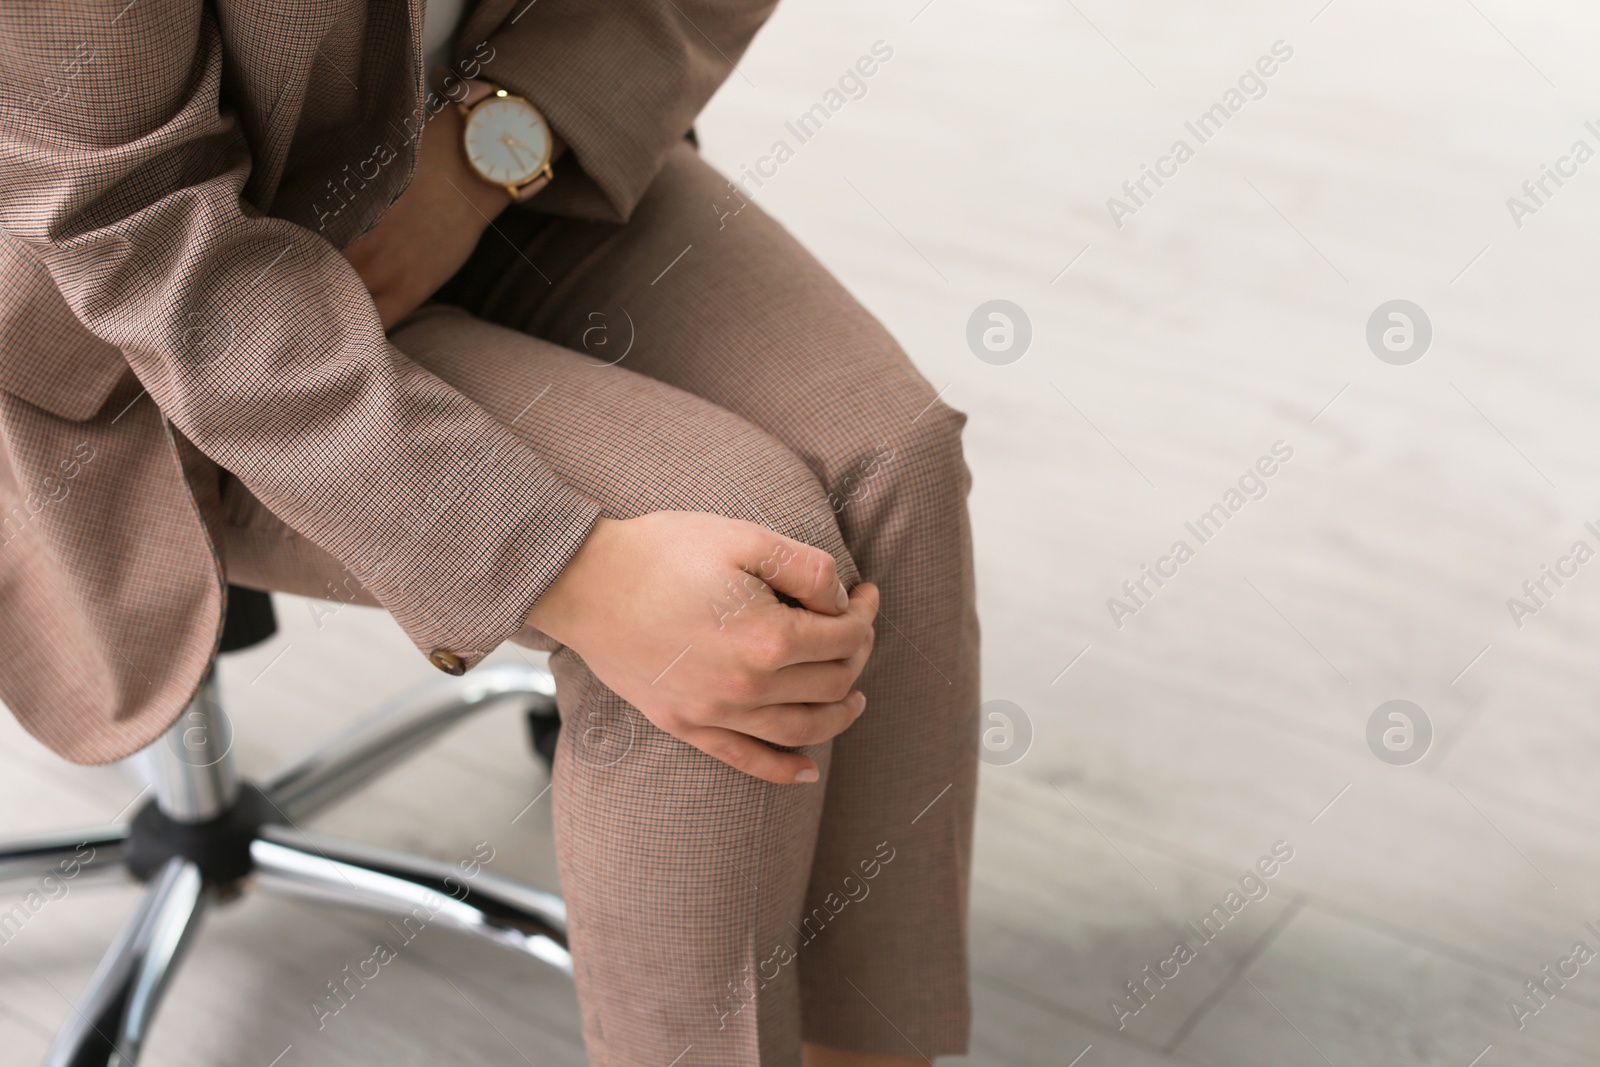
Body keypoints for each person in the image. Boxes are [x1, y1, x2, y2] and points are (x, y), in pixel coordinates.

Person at [0, 2, 978, 1064]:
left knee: (893, 460)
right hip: (164, 329)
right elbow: (132, 225)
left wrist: (477, 160)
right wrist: (560, 564)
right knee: (729, 586)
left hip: (464, 139)